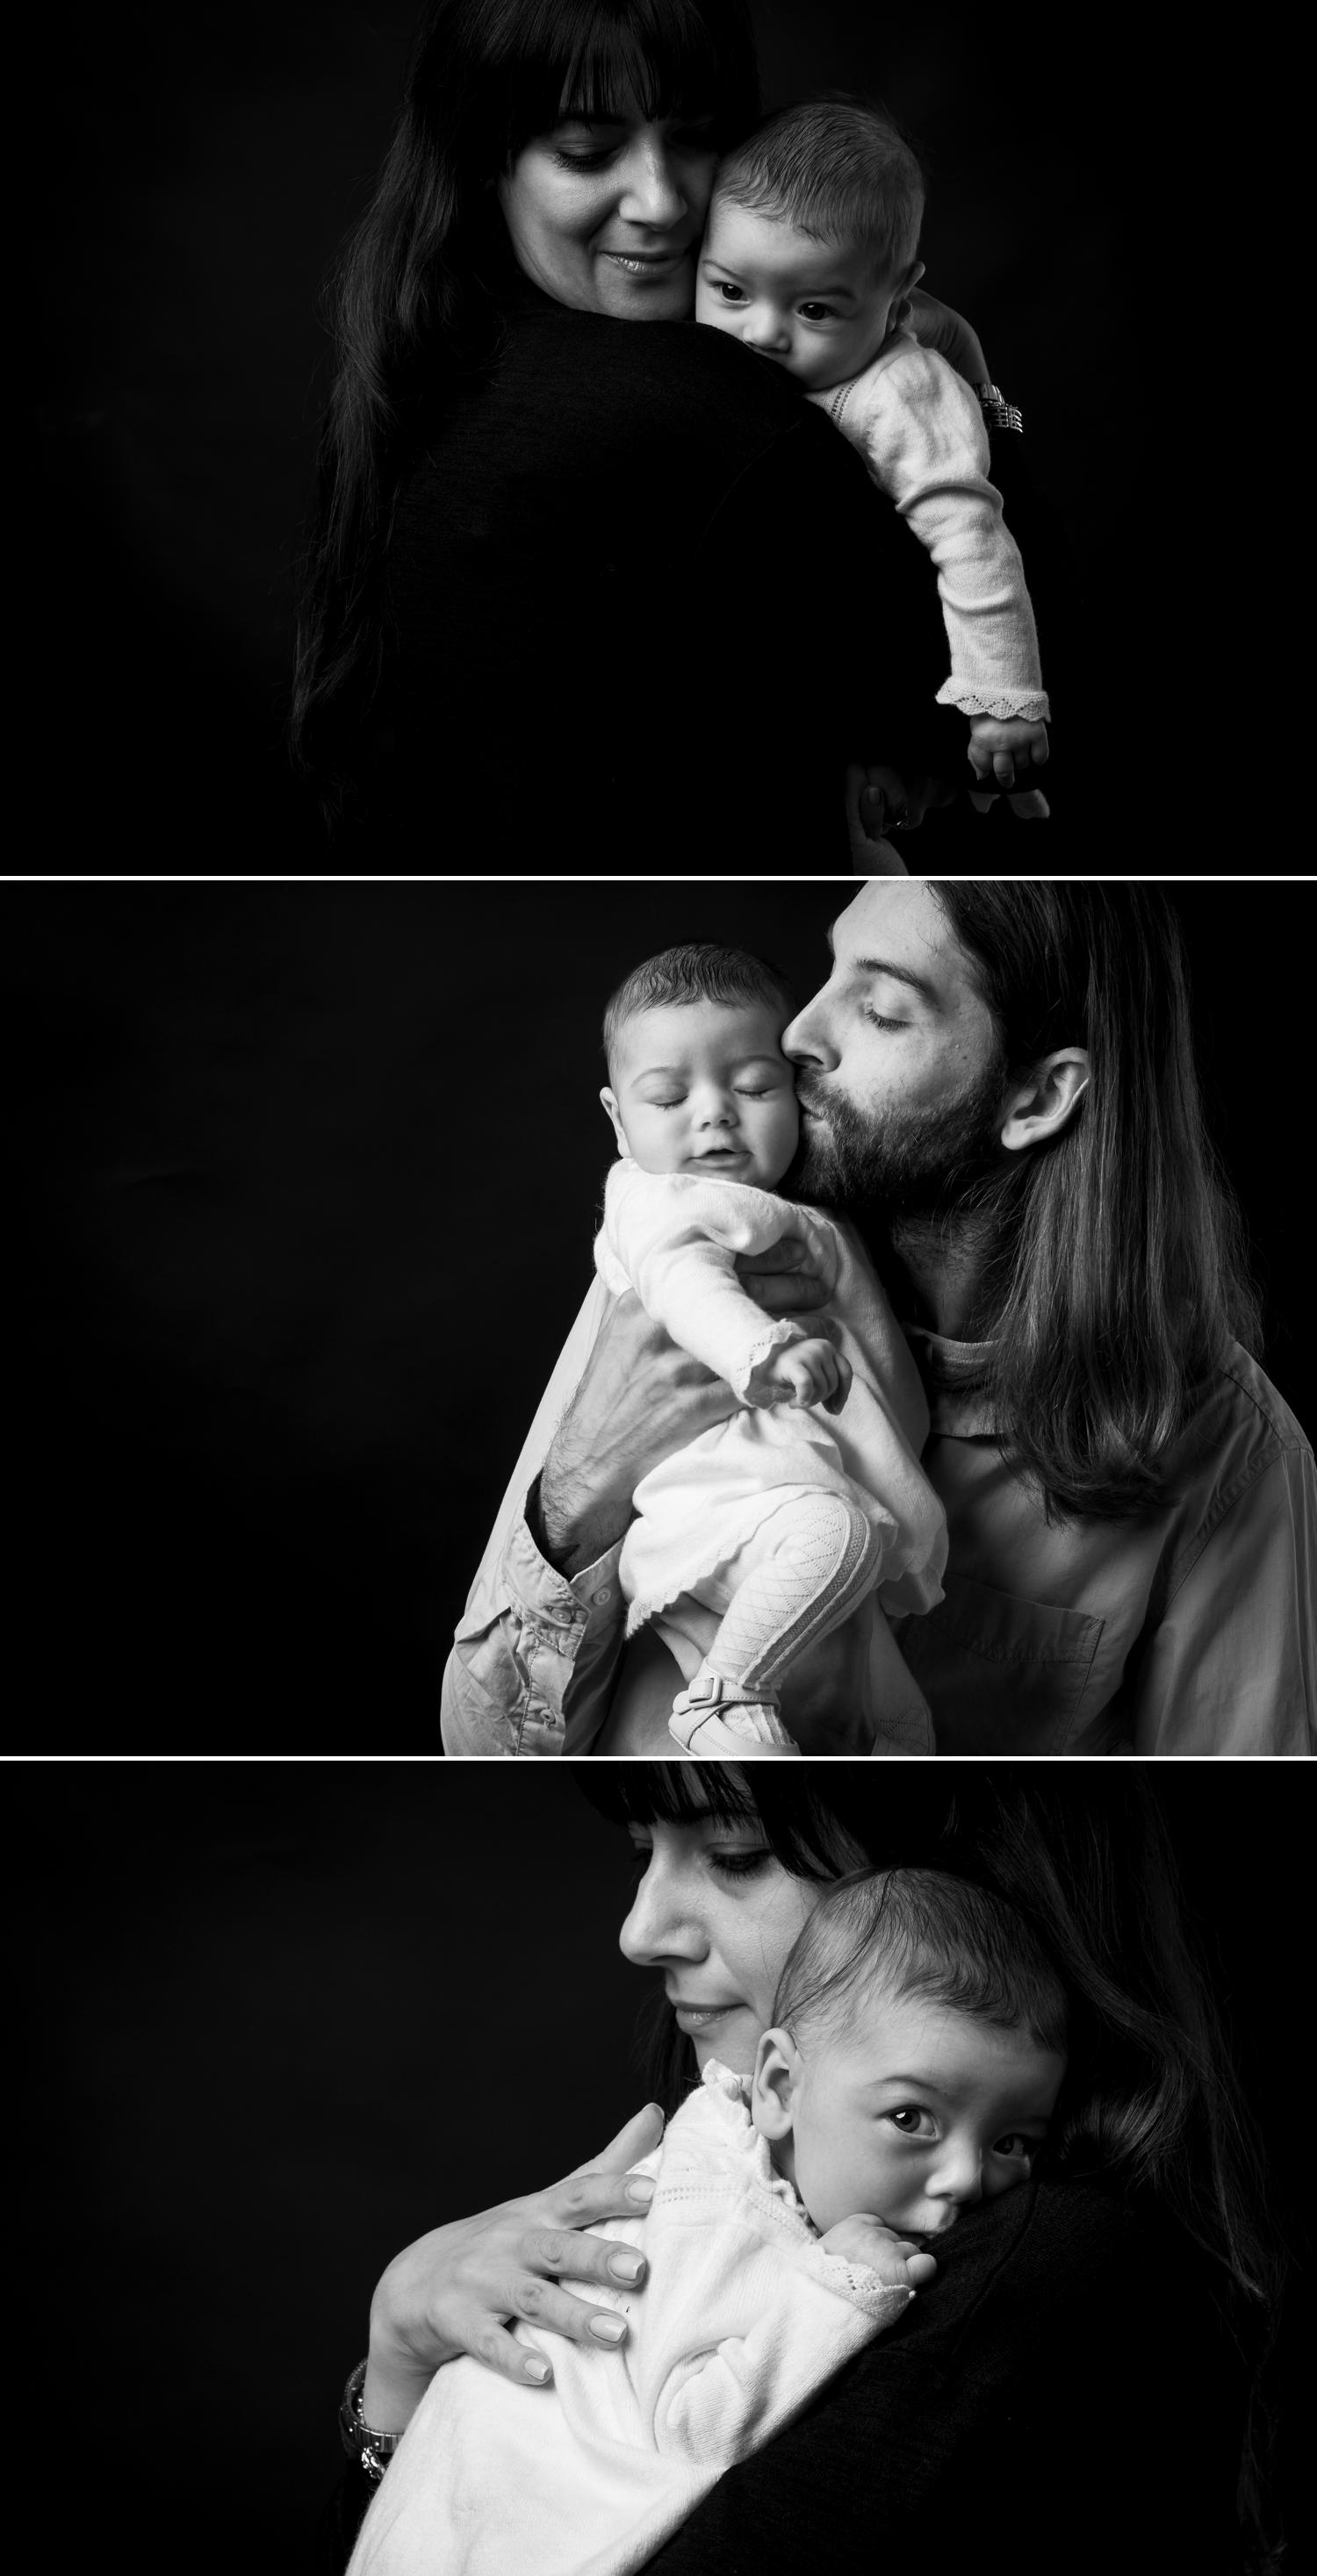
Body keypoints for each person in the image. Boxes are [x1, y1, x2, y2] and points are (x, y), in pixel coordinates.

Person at [335, 1763, 1284, 2576]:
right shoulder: (719, 2169)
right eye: (642, 1852)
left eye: (738, 1855)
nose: (638, 1930)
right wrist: (401, 2370)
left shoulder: (1038, 2263)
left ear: (937, 1856)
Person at [442, 881, 1317, 1755]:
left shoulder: (1230, 1452)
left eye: (882, 1009)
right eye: (830, 973)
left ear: (1035, 1100)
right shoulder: (717, 1258)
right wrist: (581, 1488)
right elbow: (481, 1749)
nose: (797, 1036)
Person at [291, 0, 995, 873]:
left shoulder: (404, 368)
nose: (661, 202)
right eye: (588, 154)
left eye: (697, 139)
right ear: (484, 159)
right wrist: (974, 393)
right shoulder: (699, 404)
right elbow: (1003, 697)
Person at [330, 1869, 1068, 2576]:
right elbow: (694, 2428)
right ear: (778, 2087)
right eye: (912, 2117)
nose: (969, 2179)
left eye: (1013, 2142)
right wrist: (834, 2292)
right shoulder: (716, 2211)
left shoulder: (769, 2157)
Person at [594, 942, 946, 1754]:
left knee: (903, 1728)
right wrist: (764, 1350)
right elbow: (685, 1283)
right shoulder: (662, 1202)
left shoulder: (795, 1212)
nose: (715, 1111)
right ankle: (724, 1697)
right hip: (726, 1505)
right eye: (669, 1096)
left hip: (791, 1501)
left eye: (753, 1086)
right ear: (617, 1120)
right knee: (837, 1537)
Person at [694, 100, 1051, 826]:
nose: (760, 333)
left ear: (897, 299)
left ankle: (982, 785)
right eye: (730, 290)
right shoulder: (719, 344)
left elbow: (975, 545)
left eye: (816, 310)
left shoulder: (903, 396)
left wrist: (1005, 699)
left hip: (931, 653)